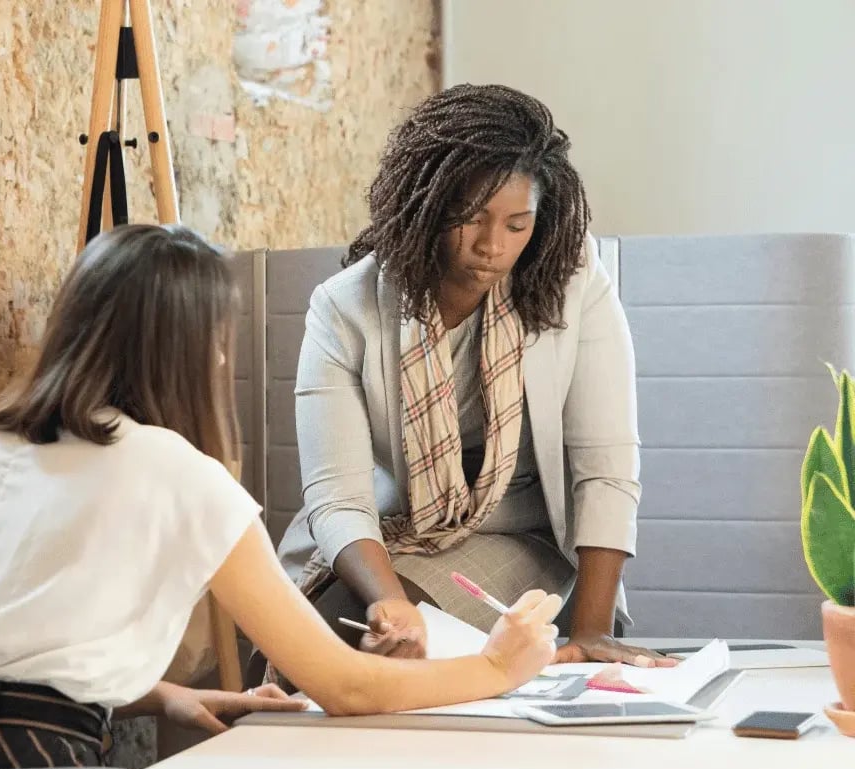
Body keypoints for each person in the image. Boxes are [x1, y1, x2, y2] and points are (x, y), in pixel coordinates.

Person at [0, 224, 563, 769]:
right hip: (37, 764)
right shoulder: (178, 472)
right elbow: (345, 688)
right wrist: (497, 666)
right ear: (182, 348)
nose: (217, 361)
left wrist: (168, 696)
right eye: (215, 340)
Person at [272, 84, 676, 682]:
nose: (493, 247)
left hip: (521, 534)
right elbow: (338, 497)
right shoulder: (345, 308)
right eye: (472, 220)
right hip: (388, 531)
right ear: (428, 205)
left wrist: (591, 630)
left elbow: (605, 466)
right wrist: (389, 604)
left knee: (365, 666)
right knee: (300, 660)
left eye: (518, 225)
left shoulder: (570, 280)